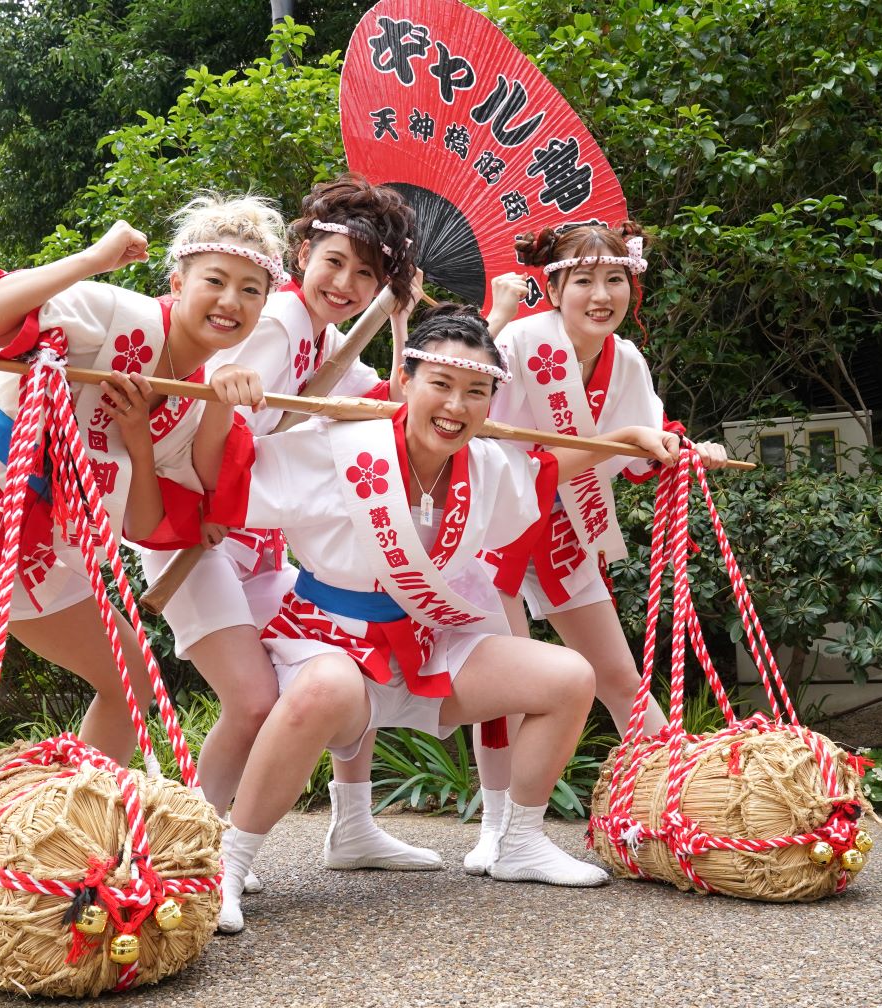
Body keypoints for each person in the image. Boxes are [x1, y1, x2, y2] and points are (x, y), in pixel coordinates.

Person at [0, 195, 287, 1003]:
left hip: (48, 527)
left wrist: (143, 446)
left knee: (126, 678)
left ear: (266, 306)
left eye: (250, 291)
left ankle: (69, 849)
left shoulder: (198, 393)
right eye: (214, 280)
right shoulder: (109, 307)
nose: (230, 303)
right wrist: (91, 256)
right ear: (178, 276)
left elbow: (154, 524)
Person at [194, 305, 681, 933]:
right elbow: (225, 473)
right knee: (322, 690)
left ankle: (520, 842)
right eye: (441, 385)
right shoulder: (336, 446)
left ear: (491, 402)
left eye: (477, 391)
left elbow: (547, 472)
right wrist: (217, 398)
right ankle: (228, 868)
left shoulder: (487, 464)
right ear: (404, 382)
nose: (457, 405)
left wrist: (627, 440)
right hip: (326, 642)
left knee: (567, 676)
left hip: (426, 641)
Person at [147, 175, 440, 877]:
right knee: (252, 701)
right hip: (198, 533)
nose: (343, 283)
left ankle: (354, 826)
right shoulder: (277, 322)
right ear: (303, 250)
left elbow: (394, 404)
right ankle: (187, 853)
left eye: (366, 274)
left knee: (345, 644)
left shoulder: (326, 336)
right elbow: (207, 445)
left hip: (253, 540)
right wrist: (223, 507)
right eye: (334, 261)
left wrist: (400, 317)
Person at [461, 222, 729, 875]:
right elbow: (497, 441)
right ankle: (497, 828)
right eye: (582, 279)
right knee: (507, 686)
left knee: (619, 675)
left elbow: (643, 448)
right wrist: (635, 436)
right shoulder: (522, 342)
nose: (600, 294)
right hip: (495, 521)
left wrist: (682, 450)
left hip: (565, 527)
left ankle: (676, 798)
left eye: (614, 279)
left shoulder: (626, 359)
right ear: (553, 286)